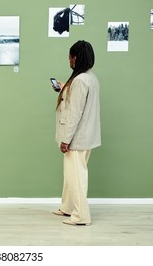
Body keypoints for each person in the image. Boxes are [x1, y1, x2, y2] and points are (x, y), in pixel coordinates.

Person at [52, 40, 101, 226]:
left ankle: (81, 216)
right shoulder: (89, 78)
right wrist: (65, 87)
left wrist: (66, 140)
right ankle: (67, 207)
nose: (69, 60)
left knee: (77, 177)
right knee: (71, 175)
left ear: (76, 57)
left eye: (70, 56)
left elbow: (75, 112)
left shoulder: (80, 80)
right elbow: (79, 102)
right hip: (86, 136)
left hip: (77, 138)